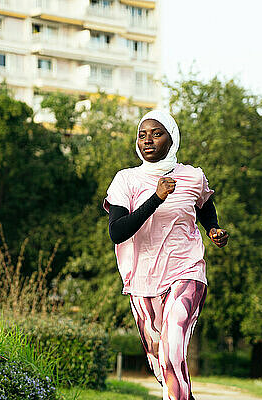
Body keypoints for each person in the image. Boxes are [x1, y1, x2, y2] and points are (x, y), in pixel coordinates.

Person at [103, 110, 229, 400]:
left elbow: (205, 206)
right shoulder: (126, 180)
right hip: (142, 281)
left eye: (157, 133)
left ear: (172, 139)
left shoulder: (193, 176)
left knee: (172, 350)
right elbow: (118, 232)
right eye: (142, 134)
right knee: (161, 365)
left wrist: (213, 230)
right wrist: (156, 198)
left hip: (187, 272)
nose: (148, 140)